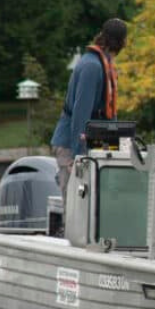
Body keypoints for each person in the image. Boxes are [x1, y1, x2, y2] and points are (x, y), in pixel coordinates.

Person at [51, 18, 128, 197]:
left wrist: (115, 142)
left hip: (96, 140)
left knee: (96, 202)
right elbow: (81, 113)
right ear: (122, 42)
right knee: (74, 204)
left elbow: (108, 113)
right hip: (74, 144)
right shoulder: (92, 67)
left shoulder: (104, 64)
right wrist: (79, 157)